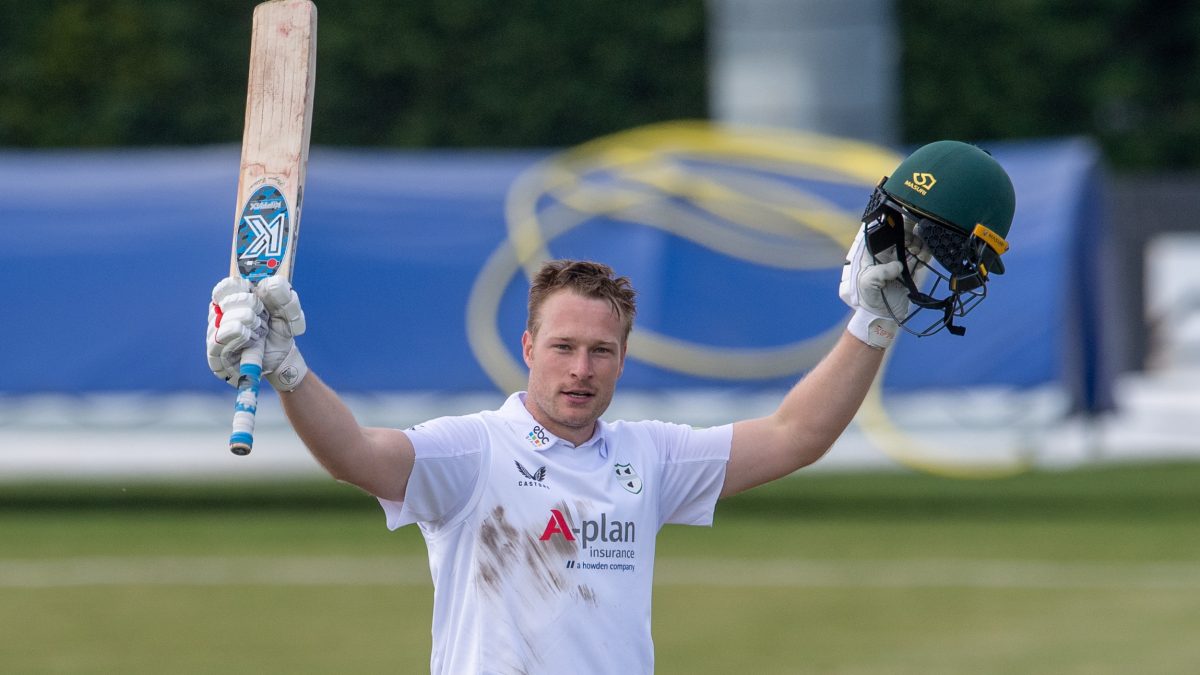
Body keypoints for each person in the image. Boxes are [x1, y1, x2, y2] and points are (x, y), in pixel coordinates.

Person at [205, 140, 1015, 674]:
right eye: (563, 347)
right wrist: (289, 370)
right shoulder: (472, 451)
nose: (581, 369)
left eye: (601, 351)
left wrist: (872, 322)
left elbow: (796, 433)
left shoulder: (648, 457)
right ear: (528, 346)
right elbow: (356, 453)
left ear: (624, 358)